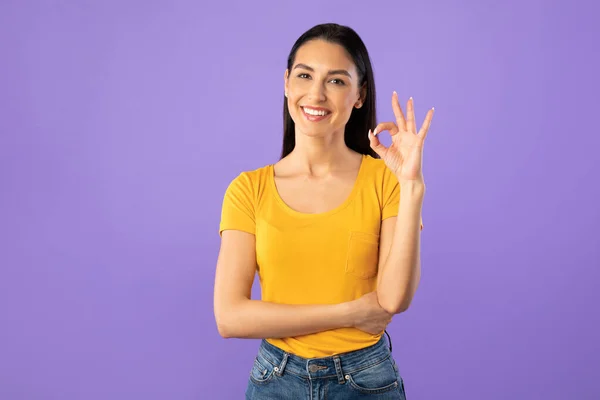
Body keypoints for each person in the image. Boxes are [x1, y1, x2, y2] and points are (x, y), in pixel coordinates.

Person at [213, 22, 433, 400]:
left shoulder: (386, 179)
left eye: (336, 81)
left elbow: (394, 300)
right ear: (286, 83)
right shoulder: (248, 189)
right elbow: (230, 317)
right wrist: (349, 313)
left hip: (367, 380)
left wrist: (412, 186)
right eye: (304, 75)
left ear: (359, 95)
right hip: (275, 381)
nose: (316, 94)